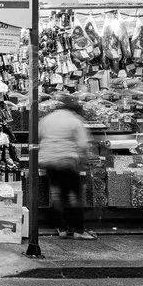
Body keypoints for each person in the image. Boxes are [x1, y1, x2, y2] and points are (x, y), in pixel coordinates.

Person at [38, 93, 95, 240]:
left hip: (49, 161)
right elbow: (83, 145)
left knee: (57, 195)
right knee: (74, 196)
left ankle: (61, 228)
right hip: (67, 161)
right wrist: (83, 162)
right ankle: (78, 230)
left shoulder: (46, 119)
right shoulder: (74, 120)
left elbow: (39, 137)